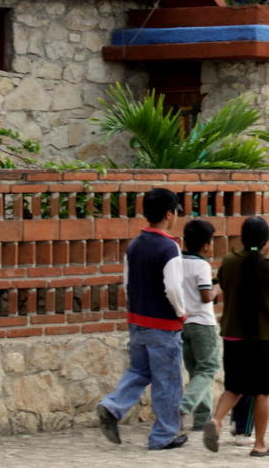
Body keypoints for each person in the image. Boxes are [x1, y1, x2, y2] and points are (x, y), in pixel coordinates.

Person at [97, 187, 188, 450]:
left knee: (139, 370)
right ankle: (164, 435)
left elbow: (126, 283)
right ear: (170, 214)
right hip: (163, 324)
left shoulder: (134, 245)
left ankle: (113, 406)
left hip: (138, 320)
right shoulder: (169, 247)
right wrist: (181, 312)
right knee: (168, 380)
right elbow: (172, 287)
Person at [203, 216, 269, 457]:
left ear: (242, 237)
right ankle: (260, 444)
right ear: (267, 241)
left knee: (234, 386)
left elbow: (222, 284)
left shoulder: (230, 261)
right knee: (261, 391)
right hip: (262, 338)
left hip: (233, 335)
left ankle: (217, 421)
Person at [179, 219, 219, 430]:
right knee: (209, 367)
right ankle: (185, 405)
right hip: (203, 323)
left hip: (184, 324)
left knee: (197, 371)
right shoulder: (202, 264)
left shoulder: (177, 261)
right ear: (205, 245)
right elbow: (205, 296)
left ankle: (202, 419)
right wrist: (216, 289)